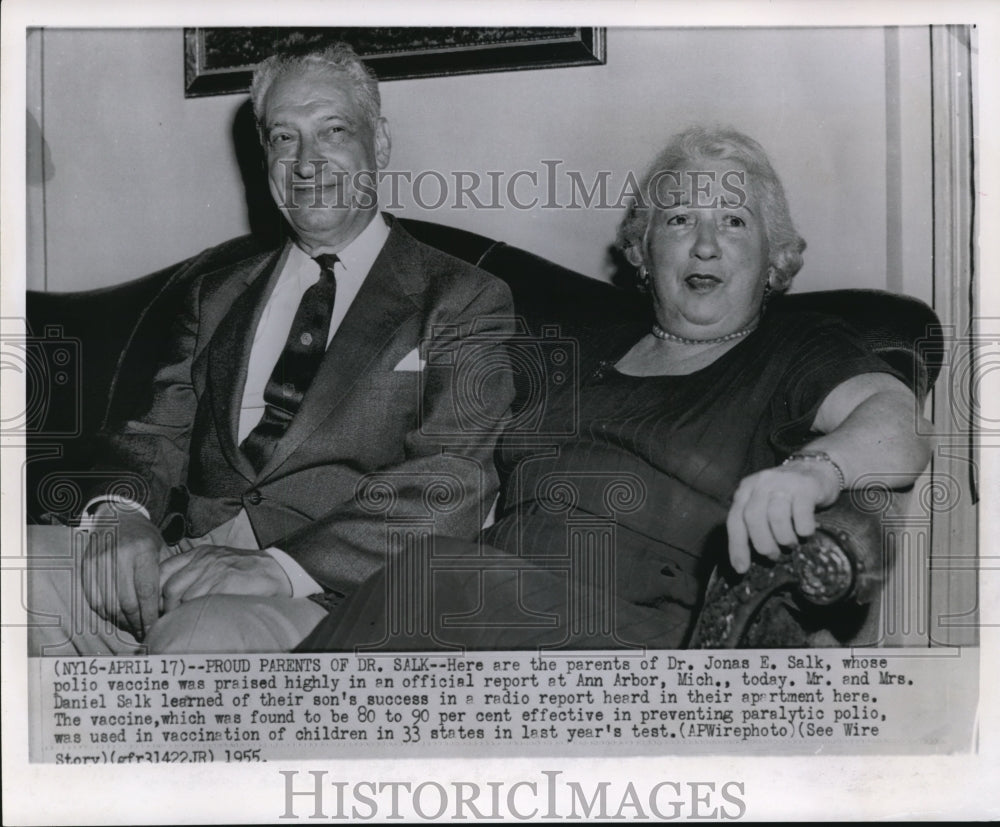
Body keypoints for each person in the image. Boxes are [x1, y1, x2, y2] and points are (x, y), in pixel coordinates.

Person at [298, 125, 933, 651]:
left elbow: (900, 426)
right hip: (490, 606)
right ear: (644, 248)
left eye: (735, 222)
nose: (706, 245)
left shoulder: (795, 348)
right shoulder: (582, 350)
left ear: (774, 259)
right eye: (680, 219)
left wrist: (817, 470)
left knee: (429, 580)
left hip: (643, 639)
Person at [27, 39, 515, 655]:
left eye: (333, 131)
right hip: (183, 560)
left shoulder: (463, 296)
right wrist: (117, 513)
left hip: (327, 593)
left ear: (380, 144)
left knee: (200, 640)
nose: (307, 161)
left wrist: (278, 567)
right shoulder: (216, 296)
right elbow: (153, 435)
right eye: (283, 137)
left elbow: (456, 477)